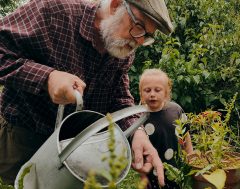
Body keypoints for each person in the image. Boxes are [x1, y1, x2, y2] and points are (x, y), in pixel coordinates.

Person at [0, 0, 174, 186]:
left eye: (147, 35)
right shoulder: (54, 11)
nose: (139, 41)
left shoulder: (122, 49)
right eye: (139, 26)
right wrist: (47, 78)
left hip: (77, 151)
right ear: (115, 6)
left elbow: (119, 97)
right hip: (23, 140)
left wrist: (136, 132)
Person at [138, 69, 193, 188]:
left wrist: (191, 158)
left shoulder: (176, 110)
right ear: (141, 94)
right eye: (147, 90)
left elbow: (186, 137)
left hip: (176, 170)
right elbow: (138, 151)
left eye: (157, 90)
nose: (152, 94)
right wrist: (142, 176)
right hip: (151, 174)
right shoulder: (138, 117)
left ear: (166, 93)